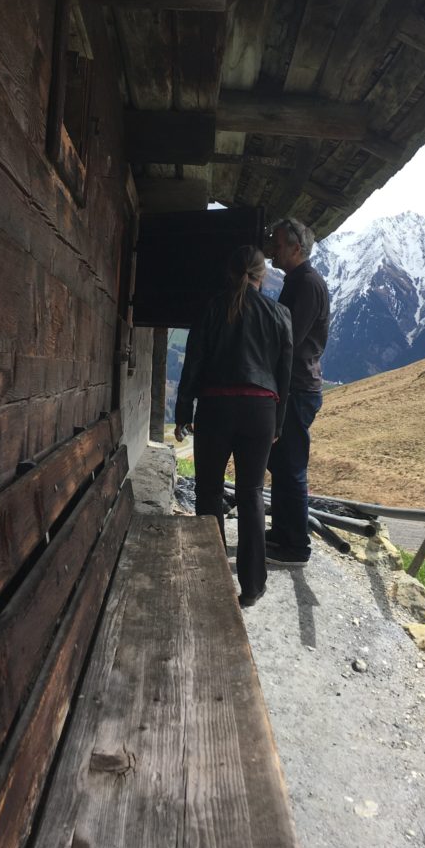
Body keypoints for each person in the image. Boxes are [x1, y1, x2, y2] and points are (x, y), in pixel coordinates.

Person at [174, 245, 293, 607]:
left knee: (208, 491)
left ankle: (211, 577)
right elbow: (284, 374)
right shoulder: (280, 314)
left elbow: (194, 361)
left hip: (216, 408)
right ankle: (252, 586)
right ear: (262, 274)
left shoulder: (212, 308)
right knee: (251, 493)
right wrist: (278, 422)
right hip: (261, 411)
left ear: (230, 272)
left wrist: (184, 410)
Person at [265, 218, 329, 566]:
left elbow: (289, 338)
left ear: (295, 247)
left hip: (297, 389)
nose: (272, 250)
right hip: (294, 387)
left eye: (277, 244)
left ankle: (296, 547)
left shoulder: (306, 284)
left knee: (290, 467)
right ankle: (281, 533)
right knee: (282, 464)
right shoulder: (298, 281)